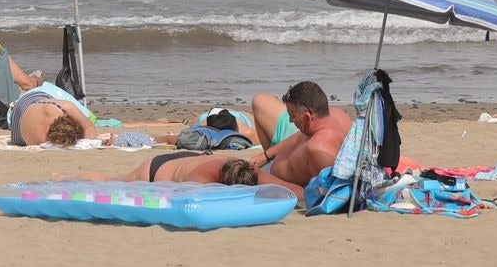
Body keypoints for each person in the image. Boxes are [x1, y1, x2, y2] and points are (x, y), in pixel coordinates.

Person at [247, 81, 351, 194]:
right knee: (259, 100)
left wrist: (262, 178)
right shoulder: (335, 115)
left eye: (293, 116)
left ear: (307, 117)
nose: (290, 121)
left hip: (278, 184)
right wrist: (267, 155)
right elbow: (299, 135)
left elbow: (320, 194)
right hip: (272, 165)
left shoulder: (319, 150)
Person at [77, 152, 260, 185]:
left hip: (188, 158)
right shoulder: (202, 179)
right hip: (155, 170)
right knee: (109, 181)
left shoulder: (245, 167)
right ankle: (63, 179)